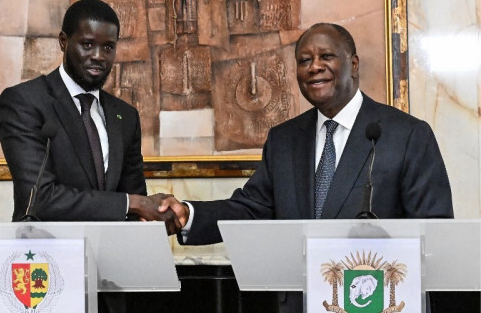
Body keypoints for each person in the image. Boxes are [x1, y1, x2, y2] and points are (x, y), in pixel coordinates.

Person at [159, 22, 454, 313]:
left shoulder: (407, 134)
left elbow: (434, 229)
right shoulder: (284, 139)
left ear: (353, 64)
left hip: (378, 301)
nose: (314, 67)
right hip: (302, 303)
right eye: (304, 60)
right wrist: (189, 214)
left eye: (326, 57)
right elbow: (252, 208)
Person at [0, 0, 181, 233]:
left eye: (108, 47)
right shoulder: (25, 102)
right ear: (64, 42)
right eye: (87, 44)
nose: (98, 56)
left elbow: (137, 204)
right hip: (48, 255)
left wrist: (158, 215)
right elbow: (39, 198)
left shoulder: (125, 116)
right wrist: (132, 204)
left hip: (112, 259)